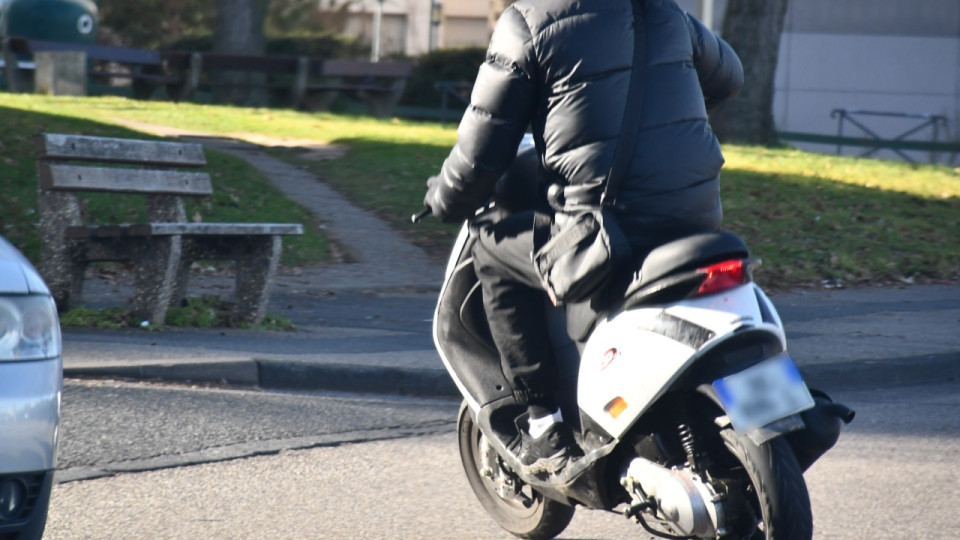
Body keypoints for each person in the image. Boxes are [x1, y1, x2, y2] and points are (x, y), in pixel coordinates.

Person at [424, 0, 743, 474]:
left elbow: (482, 149)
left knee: (492, 250)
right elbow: (728, 77)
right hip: (694, 216)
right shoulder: (666, 14)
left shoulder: (529, 23)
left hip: (605, 231)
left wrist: (443, 200)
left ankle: (543, 424)